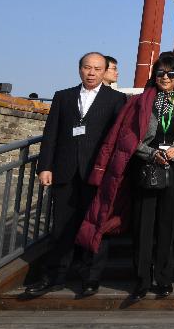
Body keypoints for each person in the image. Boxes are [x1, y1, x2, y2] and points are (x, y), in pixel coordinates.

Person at [76, 55, 174, 300]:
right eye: (161, 73)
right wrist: (152, 153)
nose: (165, 78)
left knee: (166, 226)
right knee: (143, 226)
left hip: (172, 169)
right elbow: (128, 138)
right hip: (145, 168)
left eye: (171, 74)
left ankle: (164, 278)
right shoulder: (139, 102)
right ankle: (141, 279)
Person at [26, 53, 126, 297]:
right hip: (65, 171)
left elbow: (118, 140)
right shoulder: (63, 96)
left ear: (105, 72)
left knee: (96, 227)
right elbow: (51, 135)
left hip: (98, 174)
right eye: (87, 68)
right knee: (60, 226)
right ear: (79, 69)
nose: (91, 73)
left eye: (97, 68)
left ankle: (91, 277)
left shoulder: (117, 100)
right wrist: (45, 167)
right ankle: (54, 275)